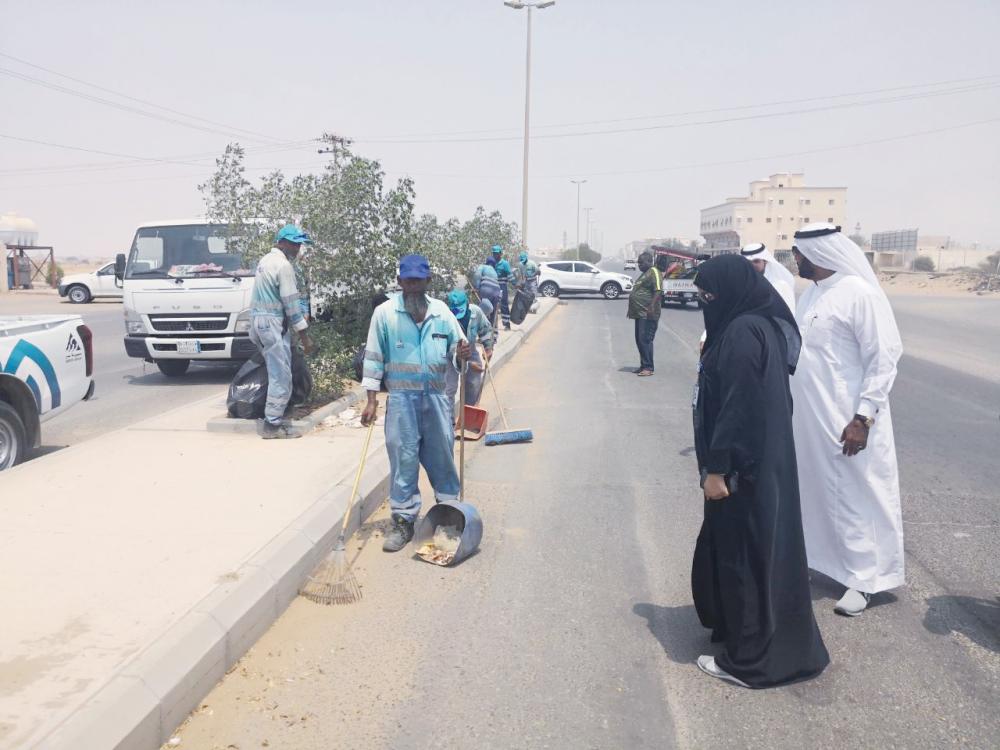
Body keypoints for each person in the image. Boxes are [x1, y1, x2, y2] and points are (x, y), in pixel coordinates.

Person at [691, 254, 829, 688]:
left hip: (741, 470)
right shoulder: (756, 324)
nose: (705, 302)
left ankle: (750, 663)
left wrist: (718, 469)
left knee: (745, 557)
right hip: (761, 461)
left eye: (709, 295)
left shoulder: (742, 333)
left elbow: (738, 408)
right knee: (756, 551)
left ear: (729, 292)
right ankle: (749, 635)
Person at [790, 223, 904, 617]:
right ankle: (828, 563)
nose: (796, 260)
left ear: (819, 253)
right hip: (811, 418)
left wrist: (864, 418)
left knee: (857, 495)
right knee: (819, 492)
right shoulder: (812, 295)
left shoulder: (859, 294)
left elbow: (884, 357)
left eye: (799, 253)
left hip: (848, 419)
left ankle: (867, 579)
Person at [361, 255, 472, 552]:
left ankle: (449, 514)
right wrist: (371, 400)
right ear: (399, 282)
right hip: (401, 402)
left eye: (417, 281)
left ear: (427, 282)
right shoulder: (385, 314)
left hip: (436, 399)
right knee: (404, 459)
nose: (412, 286)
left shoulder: (442, 312)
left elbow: (458, 348)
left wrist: (463, 352)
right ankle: (403, 520)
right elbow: (373, 358)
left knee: (442, 457)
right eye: (407, 281)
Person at [249, 224, 316, 439]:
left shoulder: (264, 262)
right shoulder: (283, 266)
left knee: (277, 372)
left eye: (299, 245)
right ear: (283, 242)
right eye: (295, 244)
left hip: (260, 324)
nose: (298, 249)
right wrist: (305, 336)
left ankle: (277, 416)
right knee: (281, 375)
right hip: (273, 325)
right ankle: (272, 425)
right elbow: (291, 304)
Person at [445, 288, 495, 414]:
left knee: (473, 383)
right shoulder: (444, 317)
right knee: (448, 389)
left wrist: (488, 348)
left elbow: (486, 330)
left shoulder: (476, 312)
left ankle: (468, 416)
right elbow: (446, 346)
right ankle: (447, 423)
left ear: (467, 304)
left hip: (470, 349)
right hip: (449, 353)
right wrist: (466, 363)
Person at [626, 251, 663, 376]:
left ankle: (648, 368)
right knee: (639, 340)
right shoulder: (644, 274)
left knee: (645, 340)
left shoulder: (654, 272)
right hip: (640, 314)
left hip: (648, 314)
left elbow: (658, 290)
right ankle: (643, 366)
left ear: (649, 261)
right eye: (638, 262)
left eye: (641, 262)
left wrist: (651, 306)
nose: (639, 265)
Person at [740, 242, 796, 313]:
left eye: (756, 261)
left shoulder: (779, 285)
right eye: (748, 262)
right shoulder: (743, 285)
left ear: (765, 261)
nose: (751, 265)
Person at [473, 256, 503, 327]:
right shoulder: (494, 272)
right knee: (493, 312)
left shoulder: (483, 266)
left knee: (483, 310)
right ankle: (493, 334)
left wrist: (477, 287)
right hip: (497, 292)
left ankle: (484, 331)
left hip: (486, 290)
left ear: (486, 262)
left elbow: (477, 275)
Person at [491, 245, 514, 330]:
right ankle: (493, 325)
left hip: (502, 286)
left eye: (497, 253)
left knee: (504, 305)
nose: (495, 255)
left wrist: (515, 284)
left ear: (500, 254)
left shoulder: (505, 263)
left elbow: (510, 275)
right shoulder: (492, 263)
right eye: (494, 254)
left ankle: (507, 324)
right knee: (493, 305)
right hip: (493, 286)